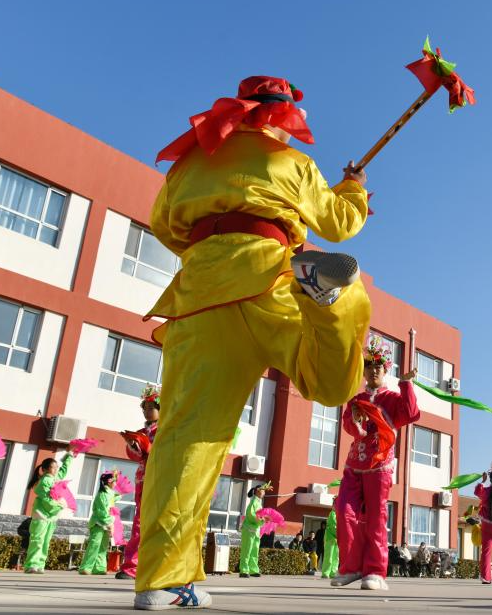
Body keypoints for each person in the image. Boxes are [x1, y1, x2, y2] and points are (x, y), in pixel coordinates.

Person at [136, 74, 371, 610]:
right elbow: (338, 224)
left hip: (199, 299)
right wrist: (353, 188)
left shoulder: (189, 164)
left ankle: (161, 581)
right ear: (282, 121)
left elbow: (165, 227)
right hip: (270, 279)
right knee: (331, 383)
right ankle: (330, 300)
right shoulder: (290, 162)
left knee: (185, 440)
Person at [332, 338, 420, 591]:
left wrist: (406, 384)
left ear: (385, 369)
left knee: (374, 518)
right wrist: (356, 421)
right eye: (369, 366)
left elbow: (411, 413)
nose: (373, 370)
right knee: (344, 512)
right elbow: (350, 427)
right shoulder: (357, 399)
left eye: (378, 366)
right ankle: (351, 567)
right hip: (354, 465)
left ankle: (374, 571)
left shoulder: (392, 398)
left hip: (380, 465)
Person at [117, 386, 160, 580]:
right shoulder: (141, 432)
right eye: (145, 408)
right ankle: (131, 567)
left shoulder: (167, 430)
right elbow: (135, 456)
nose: (146, 411)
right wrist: (133, 446)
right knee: (140, 522)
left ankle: (156, 566)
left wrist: (150, 449)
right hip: (144, 479)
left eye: (151, 407)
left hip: (161, 478)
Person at [24, 452, 73, 573]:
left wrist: (70, 455)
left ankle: (40, 564)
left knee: (45, 541)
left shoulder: (55, 478)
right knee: (37, 540)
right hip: (41, 514)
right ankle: (31, 565)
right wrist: (59, 505)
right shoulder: (45, 481)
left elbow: (63, 470)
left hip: (51, 516)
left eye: (56, 467)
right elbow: (46, 499)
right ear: (45, 469)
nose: (56, 469)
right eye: (53, 467)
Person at [79, 471, 118, 575]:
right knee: (94, 545)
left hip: (106, 523)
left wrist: (121, 494)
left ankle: (99, 568)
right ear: (109, 481)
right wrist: (109, 523)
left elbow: (114, 499)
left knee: (103, 546)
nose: (116, 483)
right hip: (98, 523)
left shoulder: (109, 493)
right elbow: (102, 511)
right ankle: (86, 567)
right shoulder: (103, 494)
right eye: (114, 481)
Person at [239, 483, 268, 578]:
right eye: (263, 490)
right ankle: (244, 570)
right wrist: (261, 520)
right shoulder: (253, 502)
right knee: (247, 550)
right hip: (249, 529)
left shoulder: (258, 503)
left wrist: (264, 519)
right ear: (258, 491)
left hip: (255, 530)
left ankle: (253, 569)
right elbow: (251, 515)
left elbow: (259, 516)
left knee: (254, 550)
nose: (264, 493)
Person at [321, 511, 339, 578]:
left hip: (337, 539)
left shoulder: (340, 514)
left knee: (336, 557)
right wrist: (340, 533)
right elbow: (333, 526)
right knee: (329, 556)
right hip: (330, 538)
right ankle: (326, 572)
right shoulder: (332, 513)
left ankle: (333, 572)